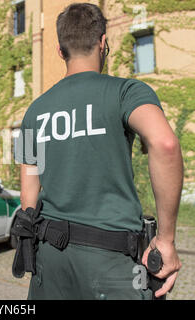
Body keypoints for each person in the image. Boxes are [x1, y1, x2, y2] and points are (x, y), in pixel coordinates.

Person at [15, 2, 183, 300]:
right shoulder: (126, 92)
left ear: (60, 50)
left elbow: (28, 197)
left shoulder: (33, 112)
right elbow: (165, 144)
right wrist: (166, 241)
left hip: (50, 260)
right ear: (103, 43)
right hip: (112, 261)